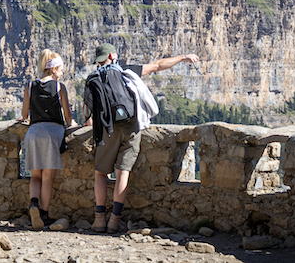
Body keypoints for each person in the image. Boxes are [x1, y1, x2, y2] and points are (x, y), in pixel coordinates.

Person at [84, 43, 199, 234]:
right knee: (123, 172)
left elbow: (87, 112)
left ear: (99, 60)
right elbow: (158, 65)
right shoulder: (127, 71)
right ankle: (114, 220)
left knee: (100, 173)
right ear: (113, 55)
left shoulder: (92, 79)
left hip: (107, 129)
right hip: (131, 126)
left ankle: (99, 220)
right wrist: (183, 57)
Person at [19, 49, 77, 230]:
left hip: (33, 133)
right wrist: (73, 124)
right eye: (60, 70)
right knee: (47, 178)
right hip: (53, 133)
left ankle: (33, 204)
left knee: (35, 176)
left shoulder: (30, 86)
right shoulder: (60, 87)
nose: (61, 74)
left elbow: (24, 114)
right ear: (53, 70)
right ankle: (43, 214)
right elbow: (67, 116)